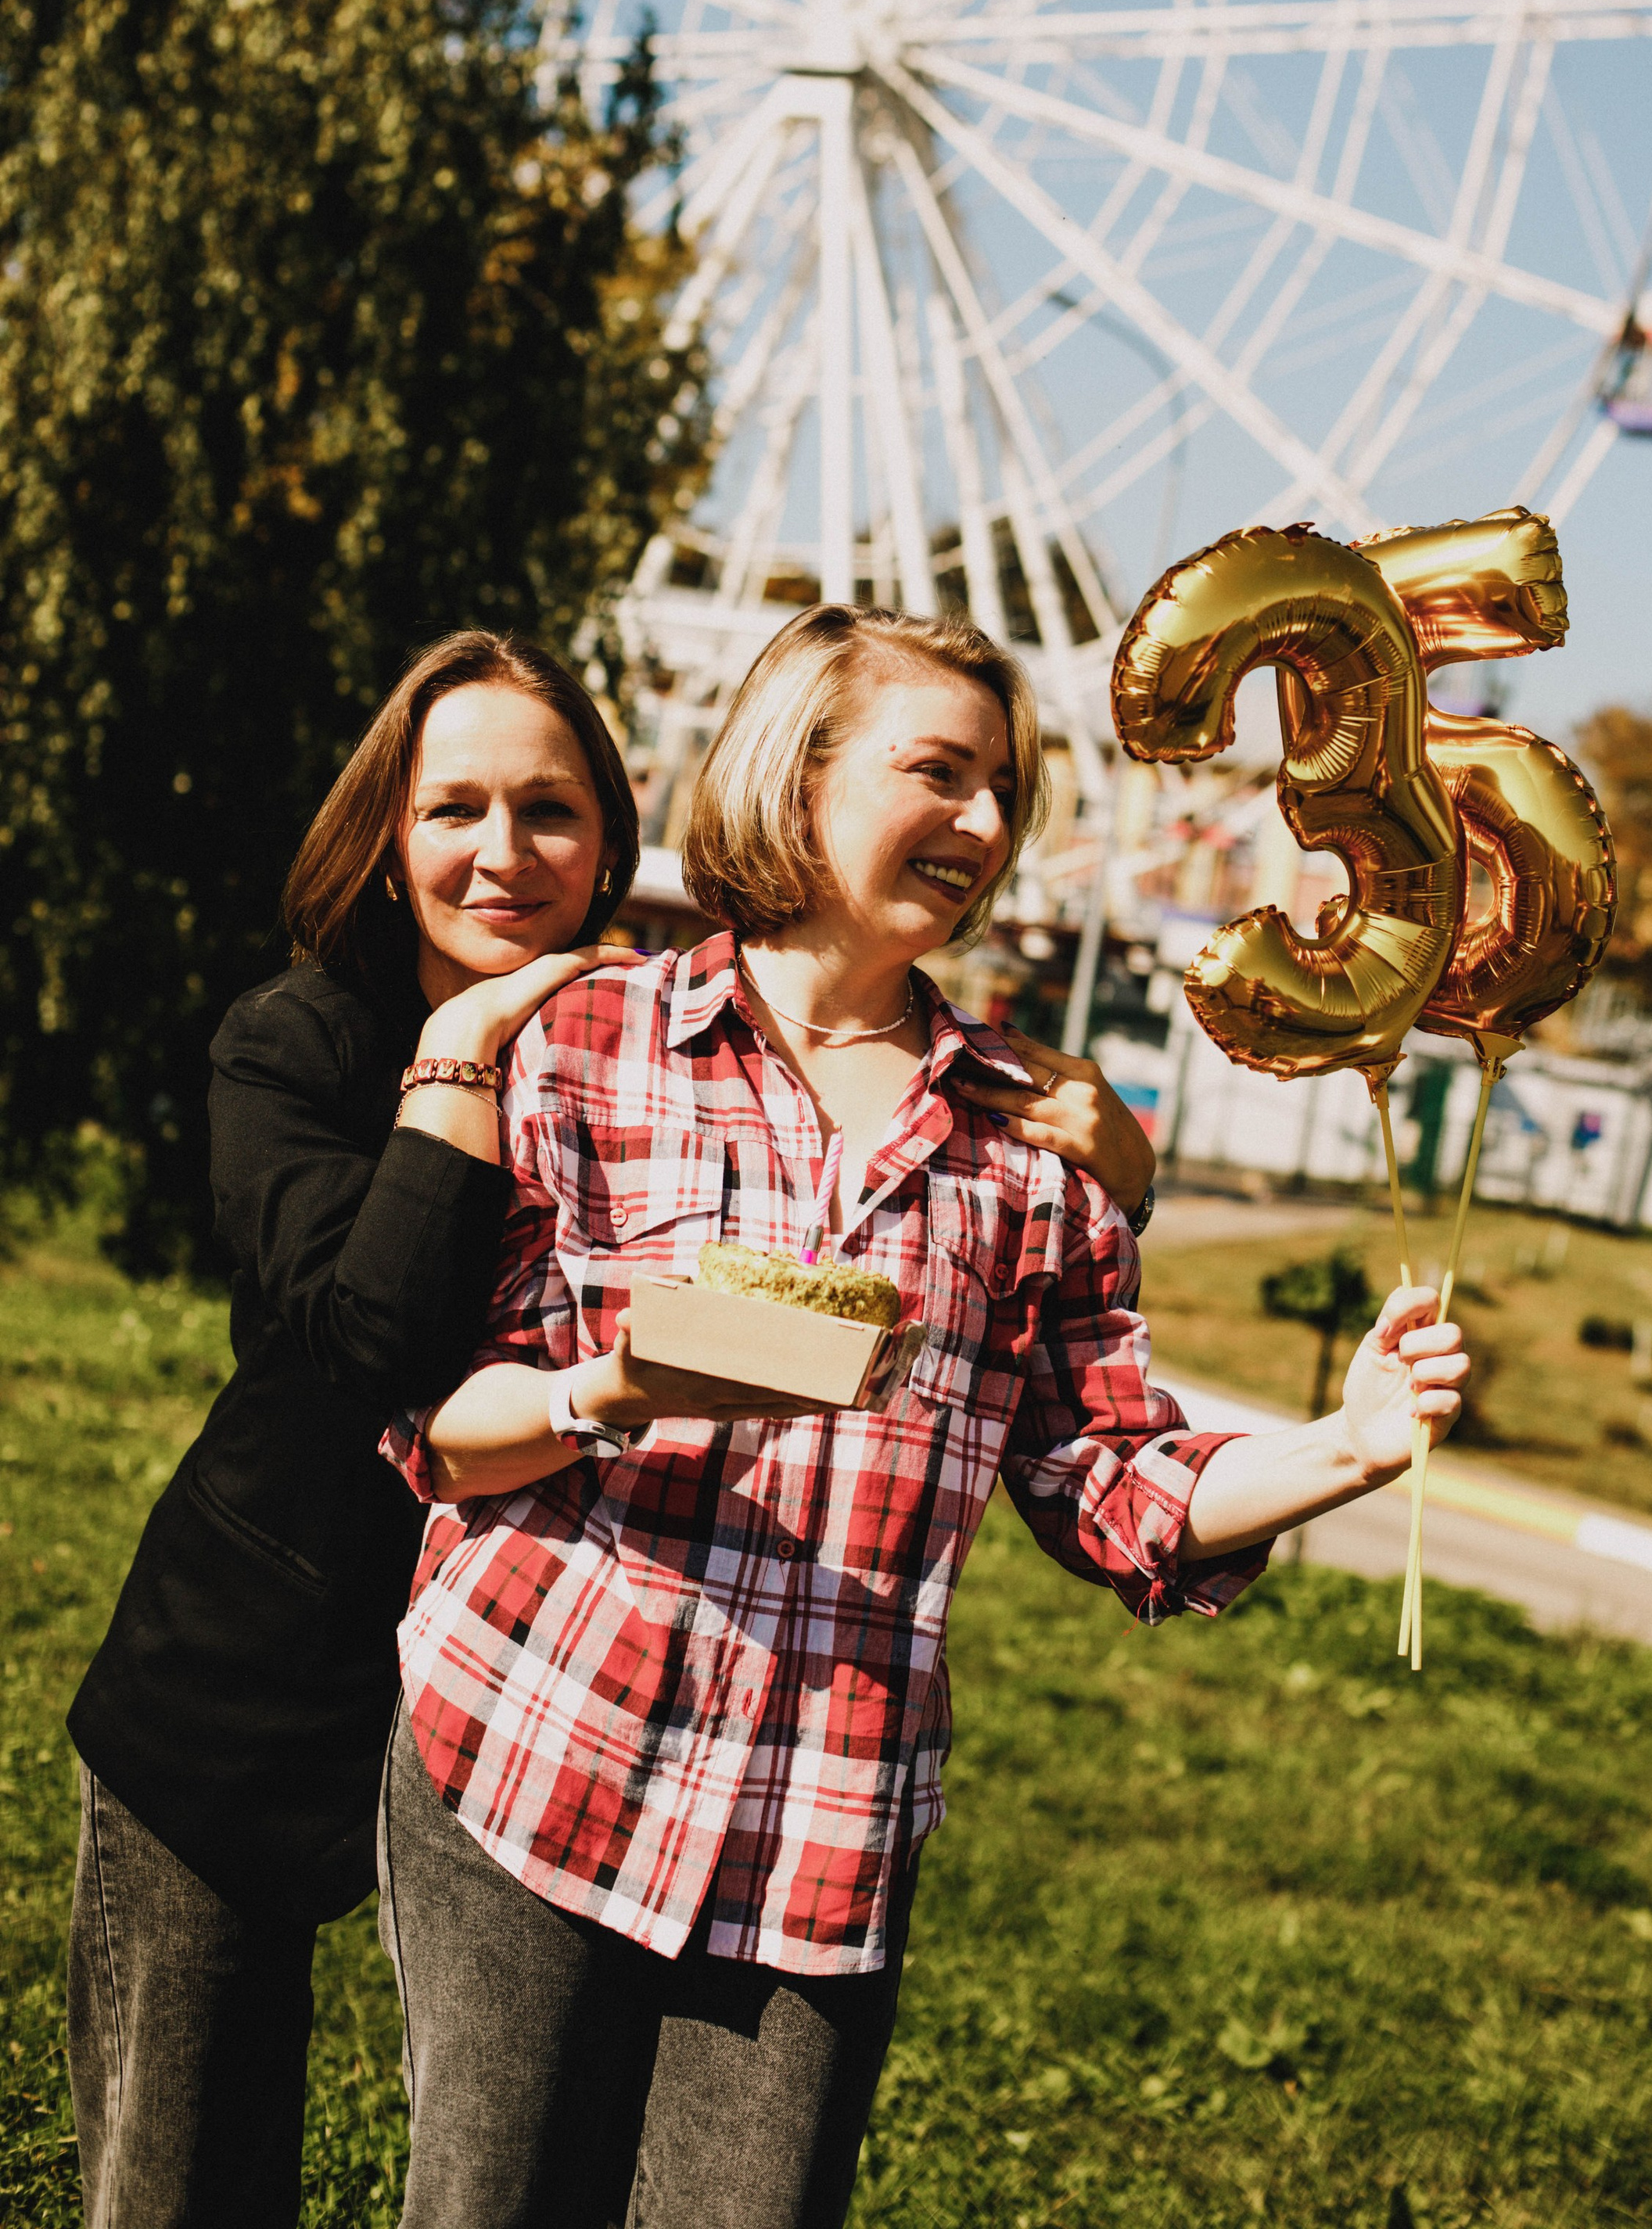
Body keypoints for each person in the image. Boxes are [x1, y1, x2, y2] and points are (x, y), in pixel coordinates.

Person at [376, 605, 1466, 2229]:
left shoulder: (1033, 1152)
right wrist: (622, 1391)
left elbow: (1108, 1484)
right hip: (535, 1744)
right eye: (937, 772)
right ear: (796, 775)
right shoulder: (588, 1049)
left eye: (1005, 790)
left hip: (816, 1833)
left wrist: (1346, 1448)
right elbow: (434, 1430)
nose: (983, 821)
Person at [61, 624, 1153, 2229]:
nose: (503, 852)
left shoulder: (634, 1042)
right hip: (262, 1671)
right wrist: (461, 1061)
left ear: (613, 837)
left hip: (557, 1701)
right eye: (453, 810)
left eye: (551, 812)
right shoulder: (307, 1041)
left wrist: (1122, 1180)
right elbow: (375, 1345)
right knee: (185, 2173)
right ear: (385, 832)